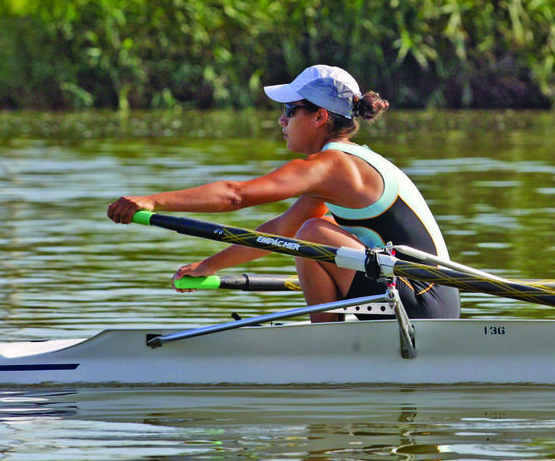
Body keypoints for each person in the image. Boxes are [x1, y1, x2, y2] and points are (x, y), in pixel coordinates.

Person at [106, 64, 460, 321]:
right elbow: (280, 230)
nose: (282, 120)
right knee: (305, 229)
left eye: (291, 110)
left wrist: (153, 201)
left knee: (312, 235)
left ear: (321, 117)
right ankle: (334, 342)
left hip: (421, 303)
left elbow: (235, 196)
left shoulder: (332, 165)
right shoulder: (345, 168)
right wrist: (207, 267)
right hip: (430, 303)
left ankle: (328, 349)